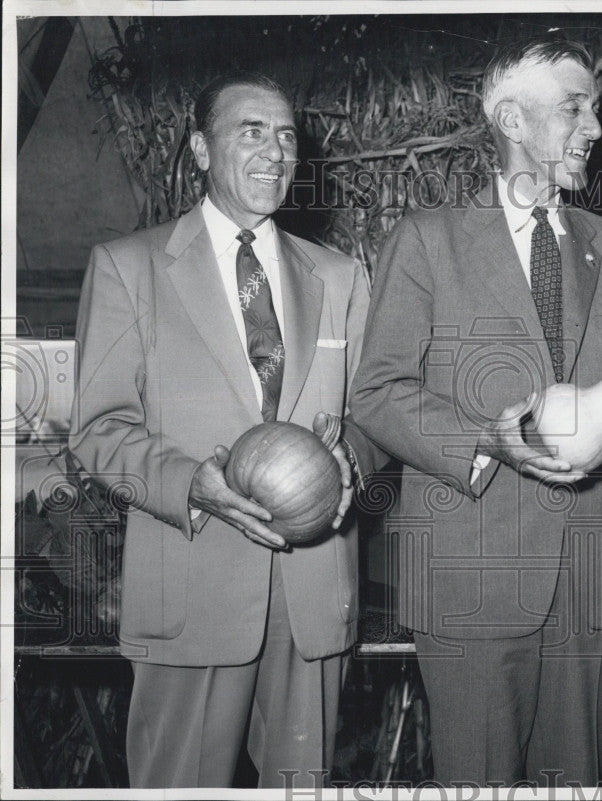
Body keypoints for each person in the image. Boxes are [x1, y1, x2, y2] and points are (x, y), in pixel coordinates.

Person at [348, 39, 602, 786]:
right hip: (470, 572)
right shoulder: (426, 243)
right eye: (573, 108)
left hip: (586, 571)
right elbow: (378, 390)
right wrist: (485, 444)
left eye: (594, 109)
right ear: (511, 120)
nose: (593, 127)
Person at [70, 71, 384, 788]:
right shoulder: (129, 267)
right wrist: (192, 483)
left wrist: (352, 460)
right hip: (191, 589)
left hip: (313, 597)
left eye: (286, 136)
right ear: (200, 150)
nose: (275, 150)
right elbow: (97, 429)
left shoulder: (341, 276)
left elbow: (376, 413)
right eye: (251, 131)